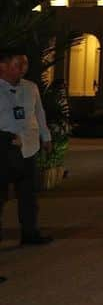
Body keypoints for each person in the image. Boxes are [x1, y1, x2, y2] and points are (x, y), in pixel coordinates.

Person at [0, 49, 54, 246]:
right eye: (17, 64)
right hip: (5, 150)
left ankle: (30, 233)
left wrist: (45, 137)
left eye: (25, 64)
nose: (23, 69)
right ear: (3, 66)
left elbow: (39, 113)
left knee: (29, 195)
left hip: (29, 147)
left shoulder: (31, 88)